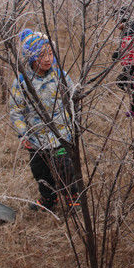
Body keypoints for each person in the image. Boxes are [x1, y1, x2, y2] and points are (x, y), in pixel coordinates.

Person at [9, 29, 80, 212]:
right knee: (41, 172)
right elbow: (16, 110)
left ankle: (73, 198)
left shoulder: (60, 76)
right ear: (31, 57)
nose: (48, 59)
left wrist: (73, 124)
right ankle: (49, 199)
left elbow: (73, 99)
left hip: (61, 136)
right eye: (42, 55)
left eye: (50, 53)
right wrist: (23, 133)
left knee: (66, 169)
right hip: (36, 140)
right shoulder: (22, 82)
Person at [111, 9, 134, 117]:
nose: (116, 24)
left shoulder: (133, 27)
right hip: (131, 62)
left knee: (123, 82)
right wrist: (117, 53)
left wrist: (121, 53)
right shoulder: (127, 29)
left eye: (116, 21)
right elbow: (125, 45)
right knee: (125, 83)